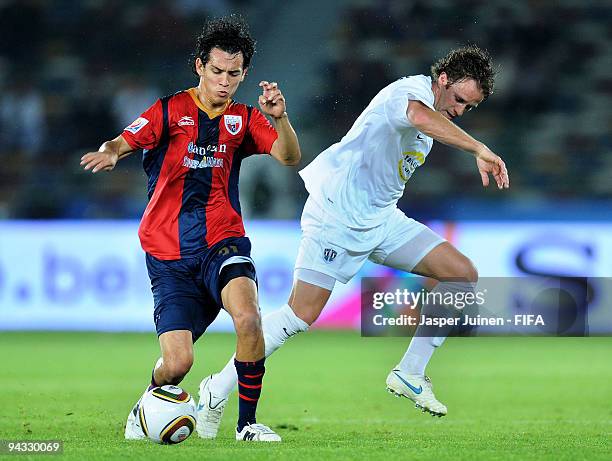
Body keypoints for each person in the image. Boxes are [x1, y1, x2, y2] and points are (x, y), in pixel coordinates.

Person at [196, 45, 510, 436]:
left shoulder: (436, 118)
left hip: (381, 220)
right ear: (442, 81)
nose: (461, 110)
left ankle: (410, 372)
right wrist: (478, 147)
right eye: (460, 99)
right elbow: (417, 116)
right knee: (298, 316)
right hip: (336, 216)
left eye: (470, 107)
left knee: (462, 274)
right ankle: (217, 388)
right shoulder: (408, 92)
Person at [80, 15, 300, 442]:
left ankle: (247, 424)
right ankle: (149, 401)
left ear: (244, 74)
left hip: (222, 240)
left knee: (250, 320)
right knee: (177, 365)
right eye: (216, 71)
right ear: (199, 66)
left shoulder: (244, 117)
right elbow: (124, 140)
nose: (223, 82)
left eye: (233, 74)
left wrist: (281, 118)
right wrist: (109, 152)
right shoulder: (168, 110)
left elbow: (289, 157)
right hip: (169, 254)